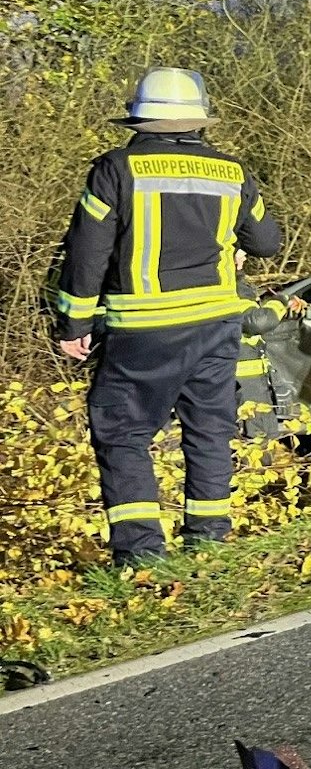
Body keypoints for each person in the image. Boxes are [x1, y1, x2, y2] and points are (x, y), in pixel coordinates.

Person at [54, 67, 281, 566]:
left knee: (122, 433)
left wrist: (74, 324)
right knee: (209, 429)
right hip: (217, 324)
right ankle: (210, 542)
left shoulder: (115, 170)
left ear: (138, 122)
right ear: (200, 120)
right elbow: (268, 243)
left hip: (143, 328)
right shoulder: (234, 172)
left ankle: (142, 557)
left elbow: (87, 252)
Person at [235, 251, 304, 440]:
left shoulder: (233, 285)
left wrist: (287, 311)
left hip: (240, 382)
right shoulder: (233, 288)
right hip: (244, 385)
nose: (243, 257)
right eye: (238, 253)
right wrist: (280, 301)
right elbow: (258, 322)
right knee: (257, 440)